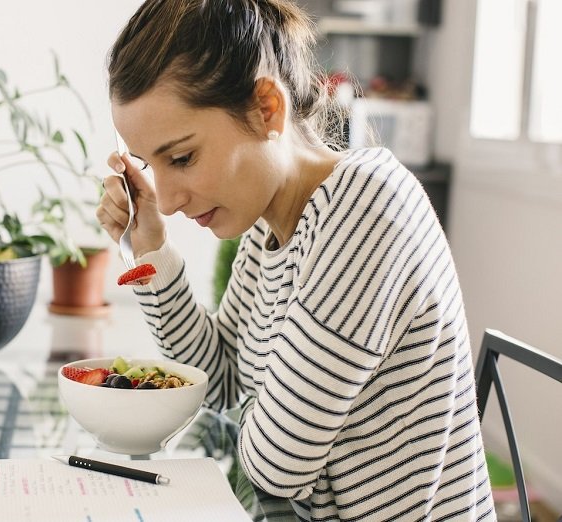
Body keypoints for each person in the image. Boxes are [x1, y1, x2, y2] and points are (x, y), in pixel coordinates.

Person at [96, 0, 495, 520]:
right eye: (152, 166)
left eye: (183, 158)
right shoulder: (271, 227)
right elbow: (219, 383)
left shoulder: (366, 208)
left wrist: (271, 418)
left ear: (267, 107)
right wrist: (150, 247)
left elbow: (276, 464)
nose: (167, 200)